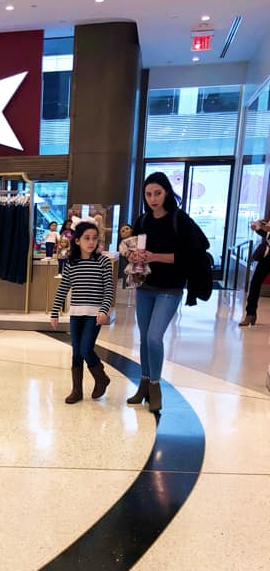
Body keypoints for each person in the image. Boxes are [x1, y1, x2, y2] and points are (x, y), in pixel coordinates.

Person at [126, 171, 209, 413]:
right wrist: (133, 254)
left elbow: (191, 254)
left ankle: (155, 386)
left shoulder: (179, 220)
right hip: (145, 286)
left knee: (154, 337)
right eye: (148, 194)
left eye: (158, 193)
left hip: (170, 288)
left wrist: (155, 257)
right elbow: (132, 247)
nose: (153, 198)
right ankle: (143, 383)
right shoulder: (142, 221)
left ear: (167, 193)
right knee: (143, 337)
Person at [50, 221, 114, 404]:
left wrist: (104, 309)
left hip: (95, 314)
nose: (91, 242)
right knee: (77, 352)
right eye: (87, 238)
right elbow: (63, 288)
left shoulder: (103, 262)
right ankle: (77, 390)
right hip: (76, 313)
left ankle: (101, 377)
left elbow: (109, 289)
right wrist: (55, 311)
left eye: (94, 238)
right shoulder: (71, 263)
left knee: (86, 348)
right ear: (77, 241)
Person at [239, 217, 270, 326]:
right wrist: (258, 228)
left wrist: (266, 228)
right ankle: (250, 314)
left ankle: (251, 315)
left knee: (255, 283)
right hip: (267, 256)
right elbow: (267, 234)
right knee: (255, 283)